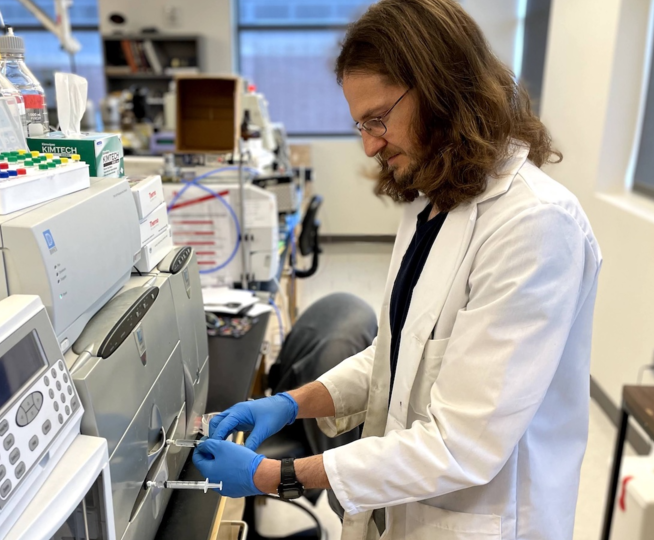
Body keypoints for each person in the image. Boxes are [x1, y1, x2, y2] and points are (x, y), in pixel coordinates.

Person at [193, 1, 603, 538]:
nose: (369, 144)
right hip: (405, 503)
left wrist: (279, 475)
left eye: (378, 119)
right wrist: (291, 403)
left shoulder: (535, 226)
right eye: (360, 124)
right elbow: (397, 354)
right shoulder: (435, 202)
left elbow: (462, 444)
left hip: (487, 519)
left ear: (443, 90)